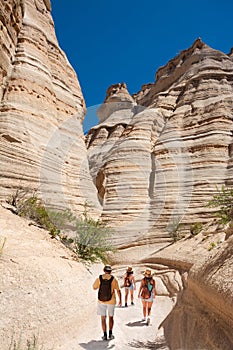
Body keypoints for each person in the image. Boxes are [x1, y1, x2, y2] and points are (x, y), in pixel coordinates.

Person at [93, 265, 122, 340]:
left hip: (101, 301)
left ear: (104, 270)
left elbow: (94, 287)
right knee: (111, 317)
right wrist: (120, 300)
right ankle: (110, 334)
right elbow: (118, 290)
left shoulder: (99, 278)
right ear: (111, 271)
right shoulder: (113, 279)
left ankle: (105, 335)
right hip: (111, 301)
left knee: (103, 318)